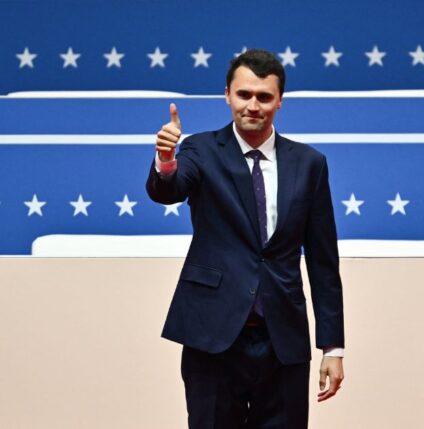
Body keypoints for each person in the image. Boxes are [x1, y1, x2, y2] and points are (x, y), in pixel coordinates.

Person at [146, 48, 344, 429]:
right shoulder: (200, 150)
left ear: (280, 100)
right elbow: (168, 190)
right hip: (213, 337)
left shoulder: (310, 164)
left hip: (283, 341)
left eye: (264, 97)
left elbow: (323, 264)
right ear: (227, 95)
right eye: (244, 94)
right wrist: (166, 158)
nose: (253, 106)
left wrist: (333, 347)